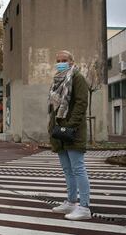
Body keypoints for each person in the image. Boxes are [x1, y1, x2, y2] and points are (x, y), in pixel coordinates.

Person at [47, 50, 91, 220]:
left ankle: (85, 207)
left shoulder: (77, 77)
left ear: (72, 61)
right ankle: (71, 202)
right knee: (67, 169)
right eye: (58, 60)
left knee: (78, 168)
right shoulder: (57, 79)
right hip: (59, 131)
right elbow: (53, 108)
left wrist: (70, 125)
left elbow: (81, 103)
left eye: (64, 60)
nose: (61, 62)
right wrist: (52, 127)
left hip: (73, 131)